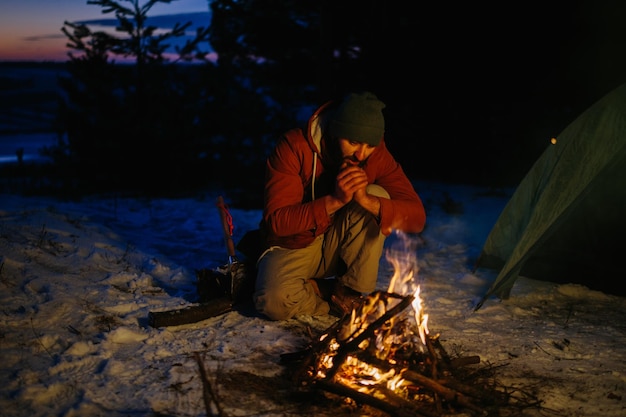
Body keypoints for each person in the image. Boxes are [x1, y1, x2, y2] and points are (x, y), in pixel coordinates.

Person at [253, 91, 426, 320]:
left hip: (338, 245)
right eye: (353, 142)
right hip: (296, 244)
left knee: (376, 195)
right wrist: (334, 201)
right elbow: (277, 222)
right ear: (335, 131)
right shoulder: (294, 146)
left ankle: (348, 293)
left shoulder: (375, 156)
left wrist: (366, 201)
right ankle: (325, 294)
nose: (361, 154)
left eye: (369, 145)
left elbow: (417, 219)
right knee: (272, 302)